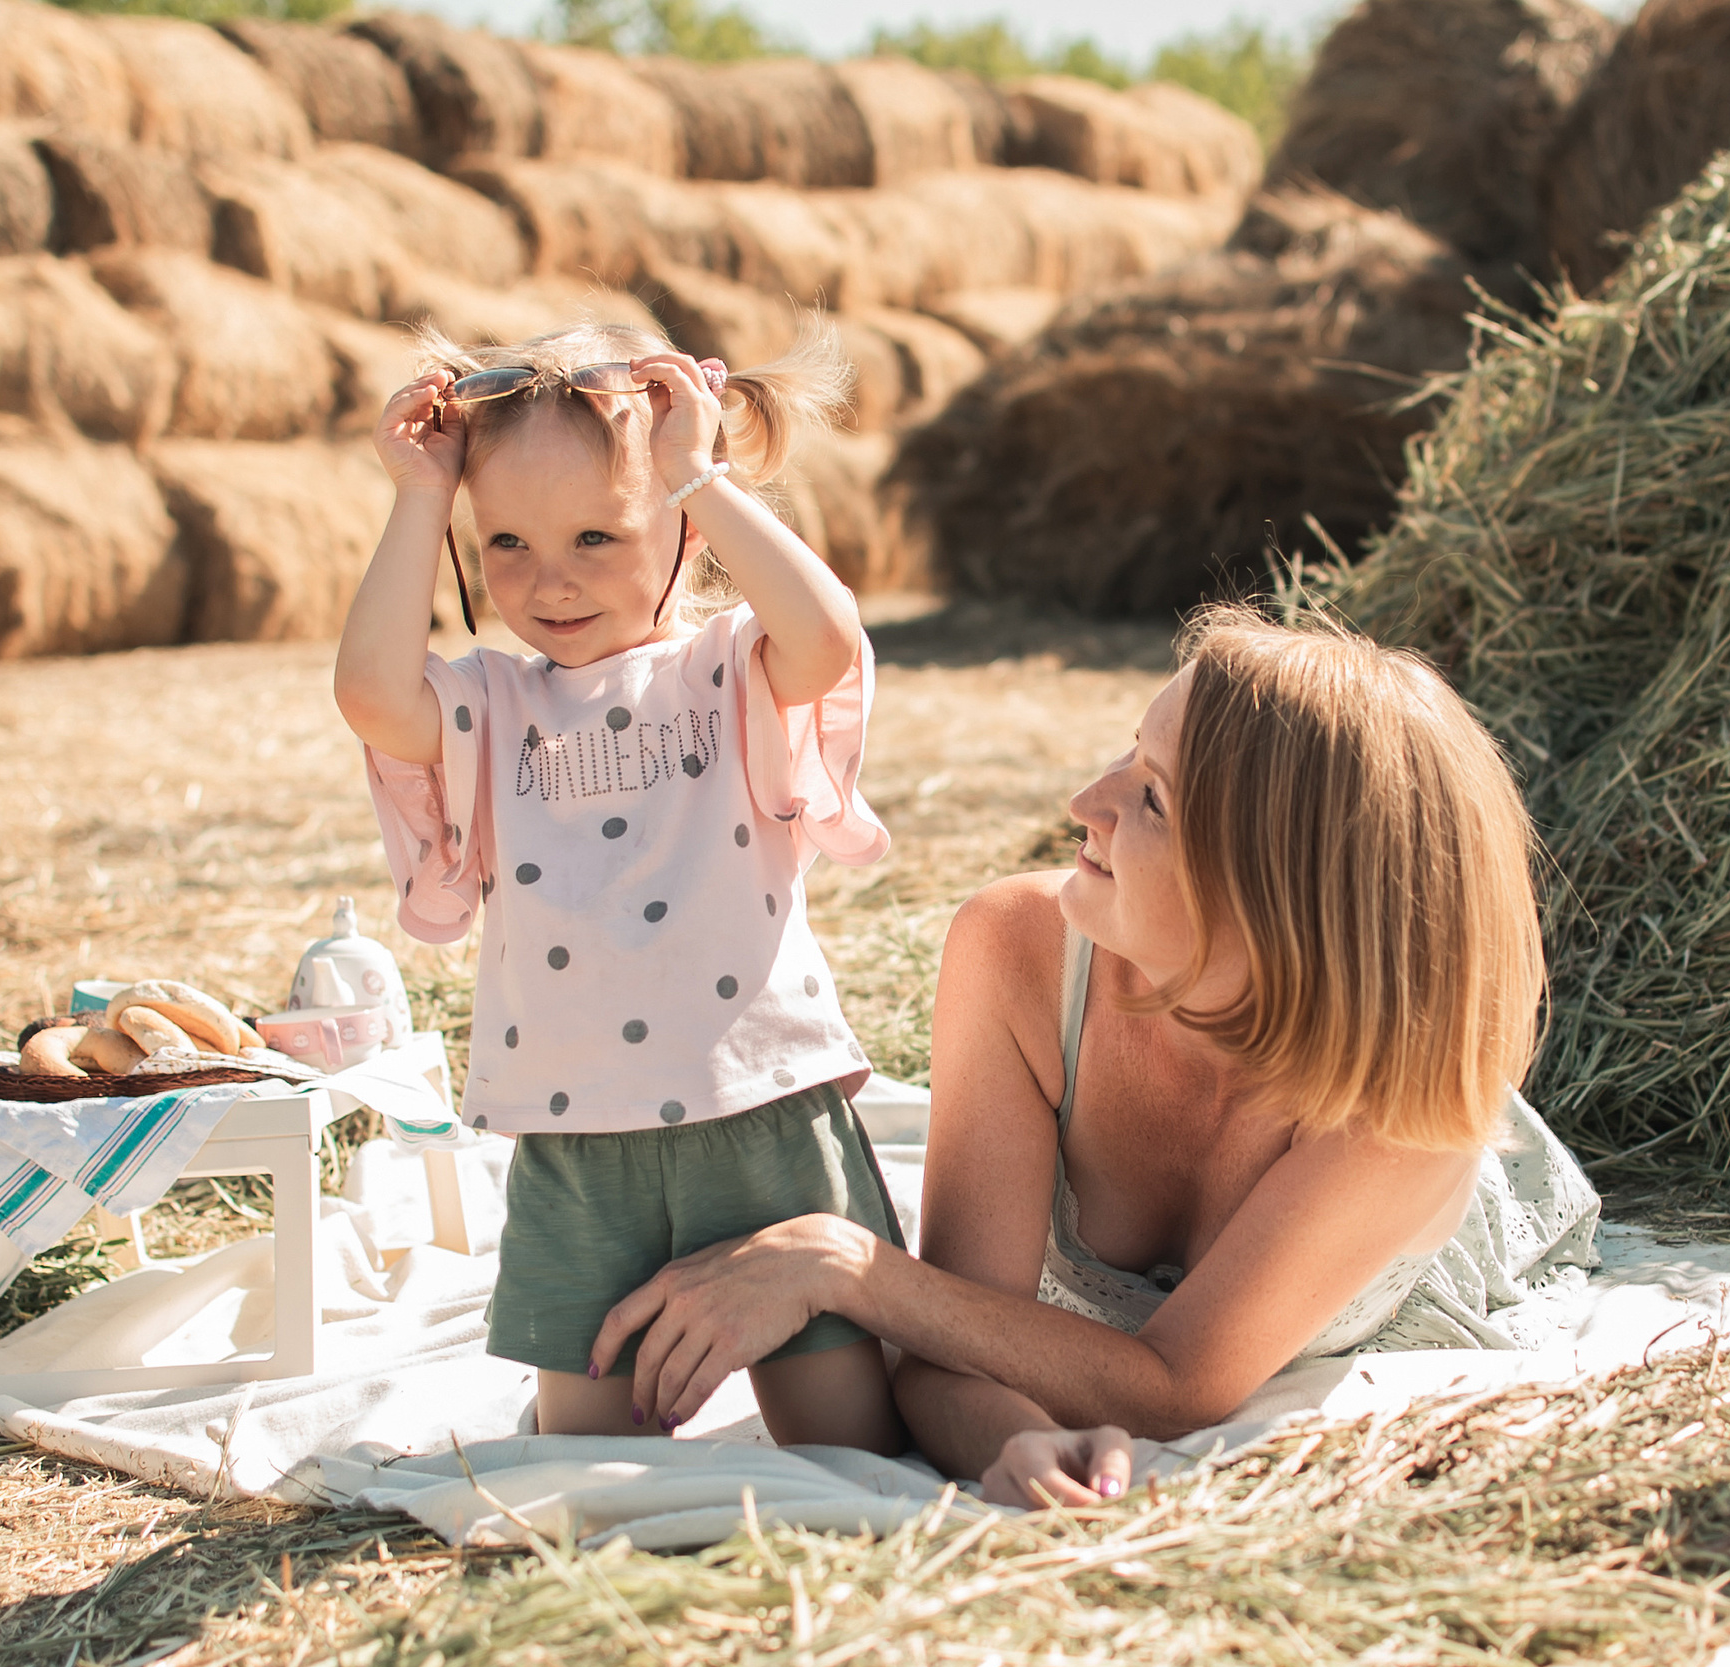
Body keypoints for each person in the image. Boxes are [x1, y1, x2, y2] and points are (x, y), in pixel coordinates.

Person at [585, 611, 1600, 1502]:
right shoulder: (1018, 952)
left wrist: (846, 1268)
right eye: (1128, 751)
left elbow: (1176, 1386)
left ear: (1278, 899)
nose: (1085, 799)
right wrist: (1018, 1438)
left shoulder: (1403, 1113)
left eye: (1150, 797)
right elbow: (950, 1347)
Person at [333, 321, 906, 1452]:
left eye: (597, 534)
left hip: (762, 1112)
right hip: (574, 1135)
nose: (549, 581)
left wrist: (702, 472)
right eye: (504, 543)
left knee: (847, 1451)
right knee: (585, 1468)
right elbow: (370, 691)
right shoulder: (491, 706)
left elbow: (829, 636)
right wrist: (419, 495)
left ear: (685, 535)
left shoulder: (728, 669)